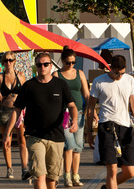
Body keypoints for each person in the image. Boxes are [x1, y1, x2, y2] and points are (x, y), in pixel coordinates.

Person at [3, 52, 78, 189]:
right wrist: (8, 134)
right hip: (35, 136)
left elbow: (72, 105)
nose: (42, 67)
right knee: (39, 175)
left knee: (52, 178)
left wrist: (75, 121)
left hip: (56, 136)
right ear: (35, 67)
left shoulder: (60, 85)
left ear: (51, 66)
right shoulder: (29, 86)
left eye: (46, 64)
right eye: (39, 64)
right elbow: (17, 110)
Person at [87, 55, 134, 189]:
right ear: (110, 68)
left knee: (130, 171)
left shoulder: (129, 80)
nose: (119, 76)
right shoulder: (99, 81)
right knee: (112, 170)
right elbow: (90, 108)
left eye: (122, 73)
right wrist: (89, 132)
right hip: (107, 127)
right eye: (116, 73)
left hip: (125, 128)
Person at [53, 46, 98, 187]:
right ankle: (66, 176)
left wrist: (93, 111)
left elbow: (86, 94)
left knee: (78, 146)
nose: (71, 65)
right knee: (69, 145)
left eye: (73, 62)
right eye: (68, 62)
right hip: (64, 114)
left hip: (79, 113)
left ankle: (75, 176)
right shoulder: (56, 75)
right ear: (62, 60)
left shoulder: (80, 73)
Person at [0, 51, 29, 179]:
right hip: (5, 111)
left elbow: (27, 95)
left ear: (14, 61)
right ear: (3, 62)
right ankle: (9, 168)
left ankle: (24, 168)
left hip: (19, 111)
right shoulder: (0, 78)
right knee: (7, 141)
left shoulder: (21, 76)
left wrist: (28, 111)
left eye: (11, 60)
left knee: (22, 140)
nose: (8, 63)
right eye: (6, 60)